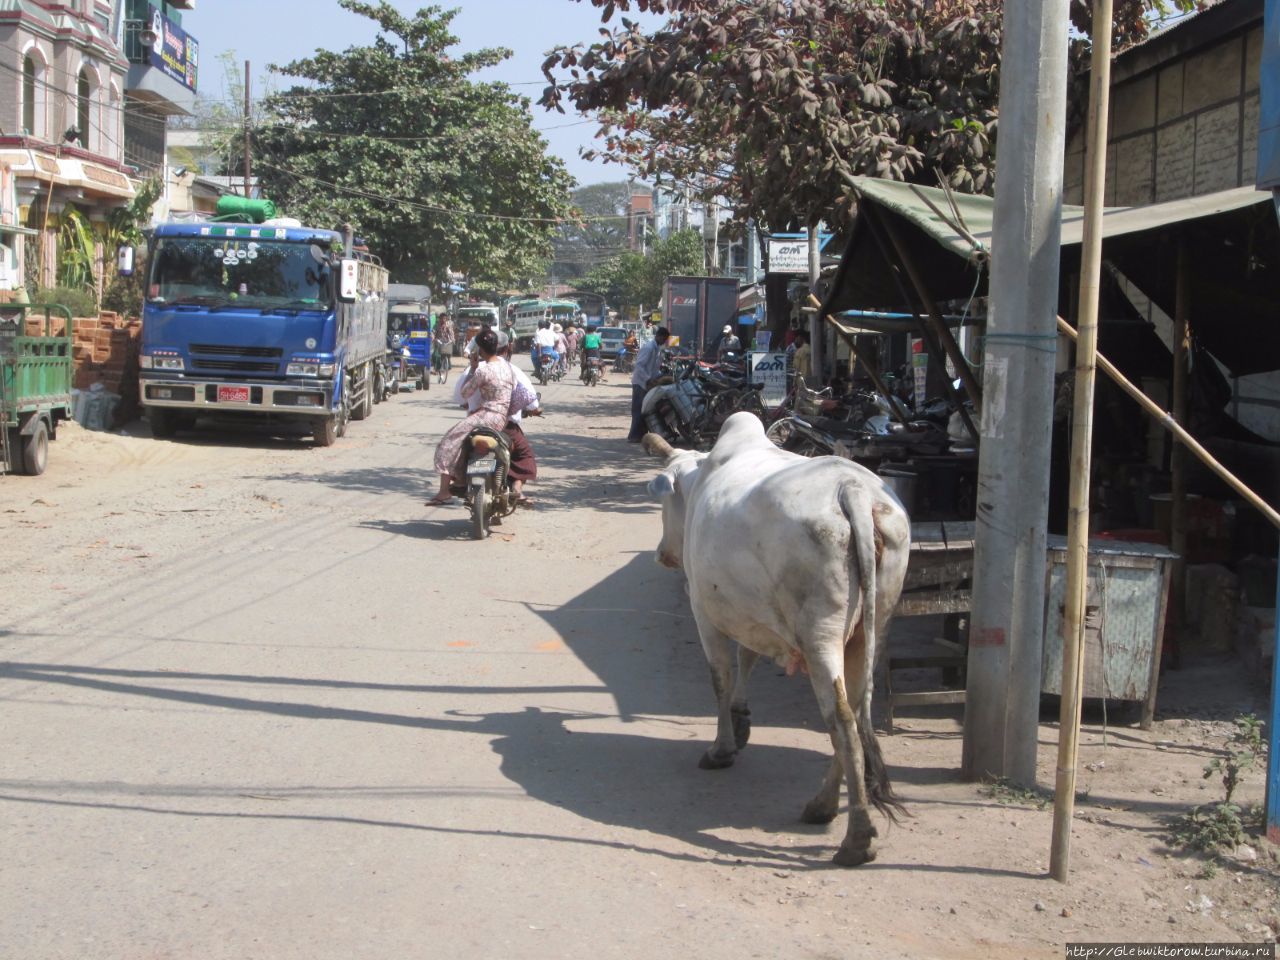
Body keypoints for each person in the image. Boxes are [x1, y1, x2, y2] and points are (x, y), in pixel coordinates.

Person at [427, 328, 516, 505]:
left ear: (480, 350)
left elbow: (465, 393)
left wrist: (473, 368)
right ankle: (461, 479)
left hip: (487, 416)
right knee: (463, 441)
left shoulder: (483, 371)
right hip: (501, 418)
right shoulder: (507, 367)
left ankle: (444, 491)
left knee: (449, 441)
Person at [627, 325, 670, 442]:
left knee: (646, 409)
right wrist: (648, 379)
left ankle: (642, 435)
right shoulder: (649, 348)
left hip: (648, 383)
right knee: (638, 409)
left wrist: (661, 376)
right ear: (658, 336)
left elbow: (654, 369)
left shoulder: (657, 349)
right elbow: (639, 366)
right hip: (640, 382)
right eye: (664, 339)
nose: (664, 342)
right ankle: (633, 436)